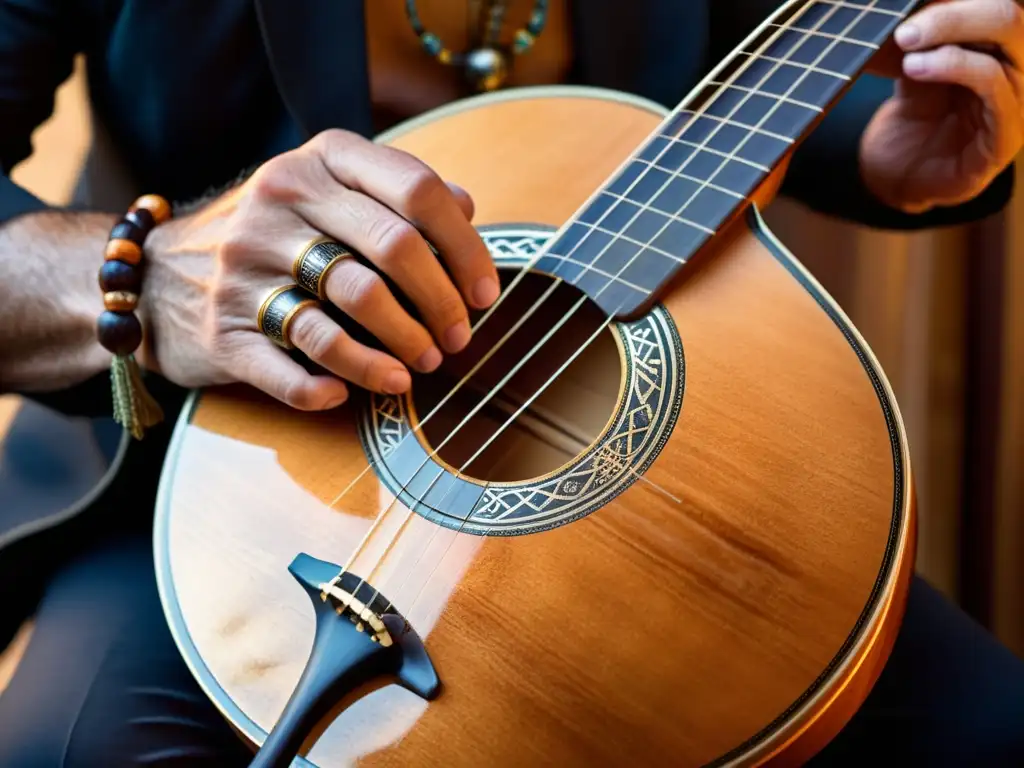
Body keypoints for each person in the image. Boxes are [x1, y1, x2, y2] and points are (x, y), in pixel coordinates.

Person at [0, 0, 1022, 765]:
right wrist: (149, 273)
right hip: (219, 469)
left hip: (640, 480)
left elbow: (739, 49)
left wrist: (880, 151)